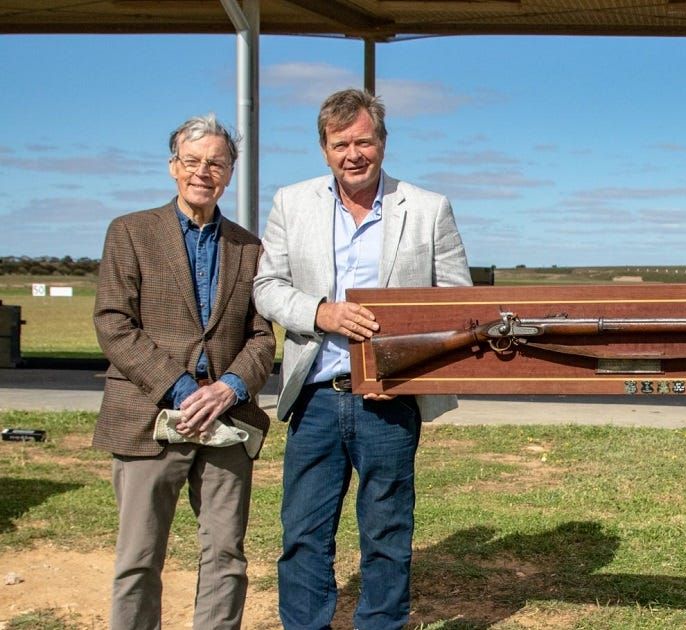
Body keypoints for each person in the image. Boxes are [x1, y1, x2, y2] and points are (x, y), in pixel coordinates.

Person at [253, 88, 472, 629]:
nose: (354, 153)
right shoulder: (291, 202)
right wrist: (319, 312)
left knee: (387, 532)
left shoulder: (427, 208)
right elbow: (267, 287)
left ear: (383, 142)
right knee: (303, 532)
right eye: (340, 143)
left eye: (364, 141)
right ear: (325, 149)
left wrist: (400, 365)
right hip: (316, 398)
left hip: (389, 402)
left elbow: (458, 301)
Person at [93, 114, 275, 629]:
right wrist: (180, 388)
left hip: (227, 423)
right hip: (147, 419)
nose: (203, 172)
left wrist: (229, 387)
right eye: (192, 161)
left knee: (225, 557)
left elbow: (262, 336)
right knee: (138, 559)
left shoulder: (249, 246)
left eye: (215, 162)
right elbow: (113, 322)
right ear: (173, 167)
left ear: (229, 173)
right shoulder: (129, 232)